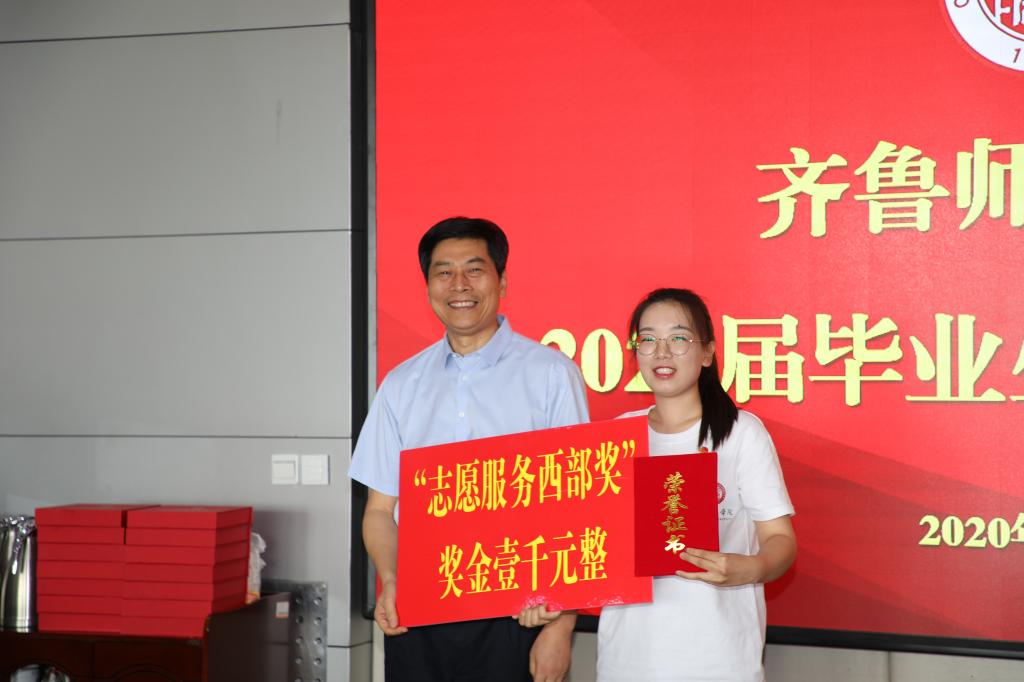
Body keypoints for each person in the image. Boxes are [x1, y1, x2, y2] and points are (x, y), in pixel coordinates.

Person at [348, 216, 589, 682]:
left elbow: (578, 509)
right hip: (418, 611)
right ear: (428, 286)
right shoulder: (400, 384)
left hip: (516, 613)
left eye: (474, 270)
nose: (459, 285)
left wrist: (561, 627)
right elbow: (379, 511)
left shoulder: (550, 374)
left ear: (502, 281)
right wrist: (391, 580)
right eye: (444, 272)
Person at [597, 287, 796, 681]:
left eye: (678, 338)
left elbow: (781, 540)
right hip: (626, 658)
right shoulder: (616, 437)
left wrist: (750, 567)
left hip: (720, 660)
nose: (661, 352)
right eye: (648, 339)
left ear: (707, 353)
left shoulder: (740, 432)